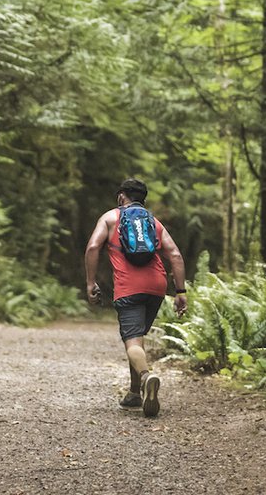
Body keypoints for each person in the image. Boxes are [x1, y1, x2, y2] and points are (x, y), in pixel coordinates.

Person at [84, 177, 187, 416]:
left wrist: (90, 282)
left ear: (121, 196)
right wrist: (180, 291)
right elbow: (175, 255)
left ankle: (146, 377)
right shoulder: (154, 222)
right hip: (156, 286)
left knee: (132, 341)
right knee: (138, 338)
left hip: (129, 286)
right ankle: (134, 393)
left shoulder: (111, 218)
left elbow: (92, 247)